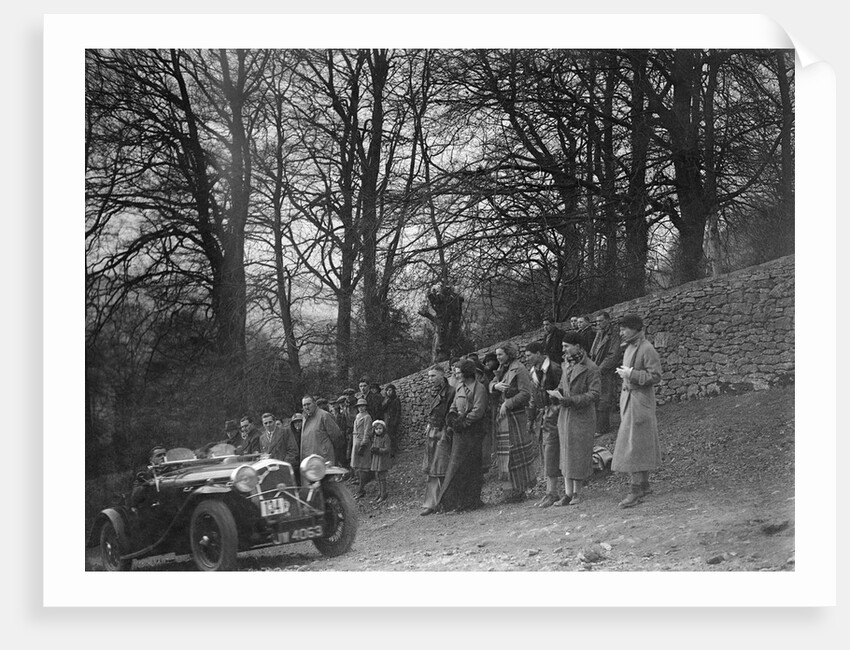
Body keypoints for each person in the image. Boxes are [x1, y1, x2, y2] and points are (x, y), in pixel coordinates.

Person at [612, 313, 663, 508]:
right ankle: (643, 485)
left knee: (634, 445)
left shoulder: (647, 348)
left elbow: (656, 376)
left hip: (640, 401)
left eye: (624, 328)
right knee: (636, 443)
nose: (621, 332)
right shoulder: (630, 347)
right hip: (629, 399)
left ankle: (635, 490)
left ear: (635, 328)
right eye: (621, 328)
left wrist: (631, 374)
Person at [547, 332, 601, 506]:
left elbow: (594, 394)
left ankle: (577, 492)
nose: (564, 349)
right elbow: (563, 386)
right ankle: (568, 493)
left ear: (578, 347)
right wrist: (557, 394)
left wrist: (571, 400)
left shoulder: (591, 367)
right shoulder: (566, 365)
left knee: (578, 453)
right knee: (566, 453)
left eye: (566, 346)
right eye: (563, 346)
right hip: (566, 415)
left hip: (582, 416)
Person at [433, 358, 489, 513]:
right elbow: (453, 405)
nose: (456, 375)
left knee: (472, 467)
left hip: (473, 432)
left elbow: (478, 411)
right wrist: (452, 418)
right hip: (460, 432)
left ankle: (471, 501)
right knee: (457, 467)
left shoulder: (480, 389)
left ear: (467, 373)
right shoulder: (460, 387)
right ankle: (455, 502)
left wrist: (463, 422)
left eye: (459, 372)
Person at [490, 342, 537, 503]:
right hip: (504, 418)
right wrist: (495, 385)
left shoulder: (520, 369)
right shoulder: (502, 369)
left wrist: (507, 403)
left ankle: (520, 489)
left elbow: (525, 393)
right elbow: (491, 383)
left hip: (516, 416)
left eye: (500, 354)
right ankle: (509, 491)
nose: (498, 358)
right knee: (504, 454)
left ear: (509, 354)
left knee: (516, 454)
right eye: (496, 355)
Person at [525, 341, 563, 508]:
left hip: (553, 414)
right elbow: (533, 397)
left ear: (539, 353)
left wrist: (555, 410)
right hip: (542, 415)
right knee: (544, 450)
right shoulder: (533, 371)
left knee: (551, 451)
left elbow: (562, 391)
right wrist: (531, 418)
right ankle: (550, 491)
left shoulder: (554, 369)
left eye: (529, 355)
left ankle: (553, 492)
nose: (527, 358)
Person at [420, 364, 456, 515]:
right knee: (431, 469)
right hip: (432, 432)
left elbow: (452, 413)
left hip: (444, 432)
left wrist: (446, 431)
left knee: (442, 468)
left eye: (433, 376)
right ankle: (431, 503)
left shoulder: (451, 392)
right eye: (429, 376)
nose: (430, 379)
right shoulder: (431, 393)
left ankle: (446, 502)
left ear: (442, 375)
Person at [589, 311, 622, 436]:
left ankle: (603, 427)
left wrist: (600, 369)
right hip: (597, 369)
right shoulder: (599, 333)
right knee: (597, 397)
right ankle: (598, 425)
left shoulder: (613, 334)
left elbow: (613, 354)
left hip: (606, 370)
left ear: (608, 320)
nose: (598, 323)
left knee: (605, 398)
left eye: (601, 321)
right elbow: (593, 352)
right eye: (597, 321)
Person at [300, 394, 344, 464]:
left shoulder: (324, 416)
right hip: (310, 461)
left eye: (308, 404)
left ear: (314, 403)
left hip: (324, 460)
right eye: (304, 405)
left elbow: (337, 436)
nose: (306, 407)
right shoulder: (304, 418)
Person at [351, 397, 374, 499]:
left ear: (366, 407)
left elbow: (367, 431)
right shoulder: (357, 416)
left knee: (363, 467)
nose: (361, 408)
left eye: (363, 406)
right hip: (356, 442)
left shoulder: (367, 417)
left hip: (363, 443)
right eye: (359, 406)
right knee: (357, 466)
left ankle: (361, 489)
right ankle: (360, 487)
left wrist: (363, 444)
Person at [369, 420, 393, 503]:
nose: (378, 430)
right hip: (376, 459)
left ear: (383, 429)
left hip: (382, 459)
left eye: (380, 428)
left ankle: (383, 493)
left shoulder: (385, 437)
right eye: (376, 429)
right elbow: (373, 445)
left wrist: (378, 450)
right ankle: (379, 492)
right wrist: (372, 449)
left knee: (382, 476)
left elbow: (387, 449)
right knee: (377, 476)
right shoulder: (376, 437)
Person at [381, 383, 402, 458]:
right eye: (387, 391)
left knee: (392, 436)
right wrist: (386, 402)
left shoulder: (396, 400)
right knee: (387, 436)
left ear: (393, 391)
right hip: (387, 420)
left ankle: (393, 452)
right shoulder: (386, 400)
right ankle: (388, 451)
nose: (389, 392)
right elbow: (382, 409)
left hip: (393, 421)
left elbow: (398, 411)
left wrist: (395, 421)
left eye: (390, 390)